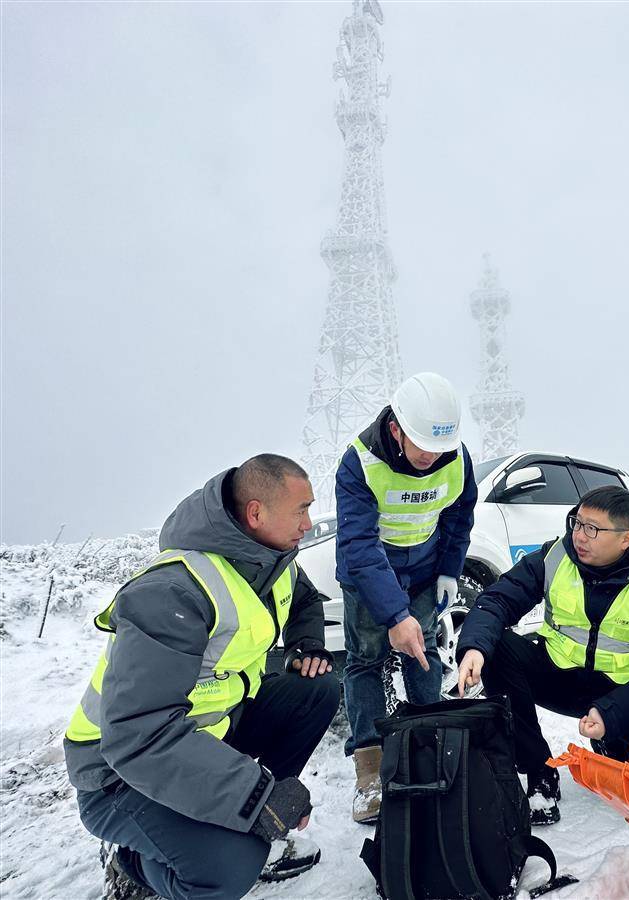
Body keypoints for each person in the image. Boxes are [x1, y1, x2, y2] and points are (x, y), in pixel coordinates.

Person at [64, 454, 340, 900]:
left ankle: (252, 823)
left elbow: (307, 600)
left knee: (318, 689)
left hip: (211, 729)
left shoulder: (275, 560)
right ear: (256, 513)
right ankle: (133, 864)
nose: (309, 523)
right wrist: (254, 796)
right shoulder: (172, 590)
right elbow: (138, 734)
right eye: (301, 510)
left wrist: (305, 645)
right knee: (230, 868)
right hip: (117, 772)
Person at [456, 485, 629, 825]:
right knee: (496, 646)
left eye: (593, 529)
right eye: (577, 523)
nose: (579, 536)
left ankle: (611, 742)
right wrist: (474, 647)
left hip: (620, 693)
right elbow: (498, 599)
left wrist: (613, 714)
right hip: (558, 676)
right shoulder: (554, 558)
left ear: (626, 539)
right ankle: (539, 771)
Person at [336, 372, 477, 822]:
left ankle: (429, 741)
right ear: (396, 429)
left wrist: (449, 571)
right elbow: (357, 544)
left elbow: (458, 515)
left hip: (425, 572)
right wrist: (394, 614)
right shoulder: (359, 463)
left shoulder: (456, 457)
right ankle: (370, 772)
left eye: (441, 448)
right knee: (366, 661)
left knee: (424, 653)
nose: (432, 458)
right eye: (423, 447)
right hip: (370, 576)